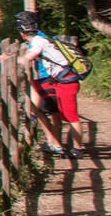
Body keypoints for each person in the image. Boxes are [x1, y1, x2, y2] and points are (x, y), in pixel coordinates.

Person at [16, 11, 86, 160]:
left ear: (22, 32)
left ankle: (78, 148)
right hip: (63, 80)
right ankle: (66, 145)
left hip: (66, 81)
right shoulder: (42, 39)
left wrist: (11, 60)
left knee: (71, 115)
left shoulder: (38, 41)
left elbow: (28, 58)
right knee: (63, 114)